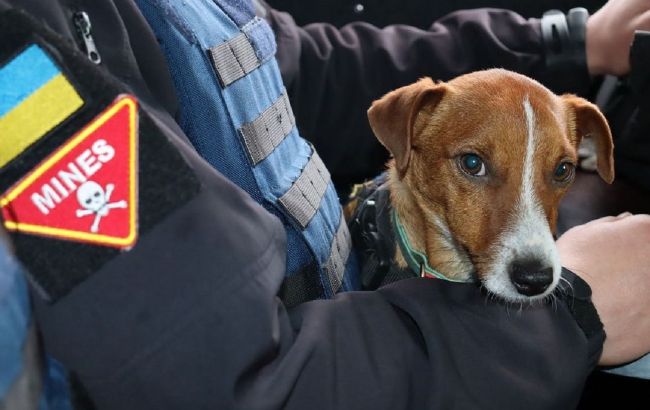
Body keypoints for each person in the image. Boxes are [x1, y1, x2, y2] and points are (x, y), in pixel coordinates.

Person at [0, 1, 649, 409]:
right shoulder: (21, 69)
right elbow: (232, 387)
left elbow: (290, 67)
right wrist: (556, 326)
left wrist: (568, 42)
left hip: (358, 310)